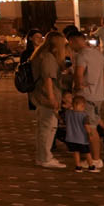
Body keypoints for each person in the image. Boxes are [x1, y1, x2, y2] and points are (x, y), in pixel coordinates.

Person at [70, 27, 104, 166]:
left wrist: (78, 86)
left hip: (87, 96)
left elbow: (79, 73)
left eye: (70, 43)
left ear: (75, 41)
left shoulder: (82, 55)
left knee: (91, 128)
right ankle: (93, 157)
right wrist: (103, 84)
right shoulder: (97, 53)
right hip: (98, 95)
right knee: (92, 124)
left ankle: (95, 159)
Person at [28, 31, 66, 168]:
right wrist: (52, 98)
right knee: (48, 127)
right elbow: (48, 79)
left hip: (38, 95)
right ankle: (45, 157)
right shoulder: (48, 58)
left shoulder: (39, 54)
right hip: (46, 96)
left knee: (43, 127)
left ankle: (42, 156)